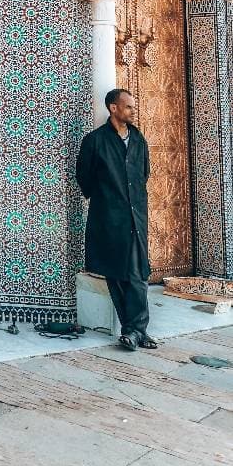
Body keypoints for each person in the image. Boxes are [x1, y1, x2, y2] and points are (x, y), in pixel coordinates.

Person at [76, 88, 158, 351]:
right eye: (128, 107)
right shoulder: (95, 141)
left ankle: (135, 330)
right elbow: (84, 179)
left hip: (136, 216)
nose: (133, 111)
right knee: (116, 273)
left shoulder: (138, 139)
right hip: (109, 219)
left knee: (137, 273)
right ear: (113, 108)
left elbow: (143, 173)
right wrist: (108, 199)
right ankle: (136, 332)